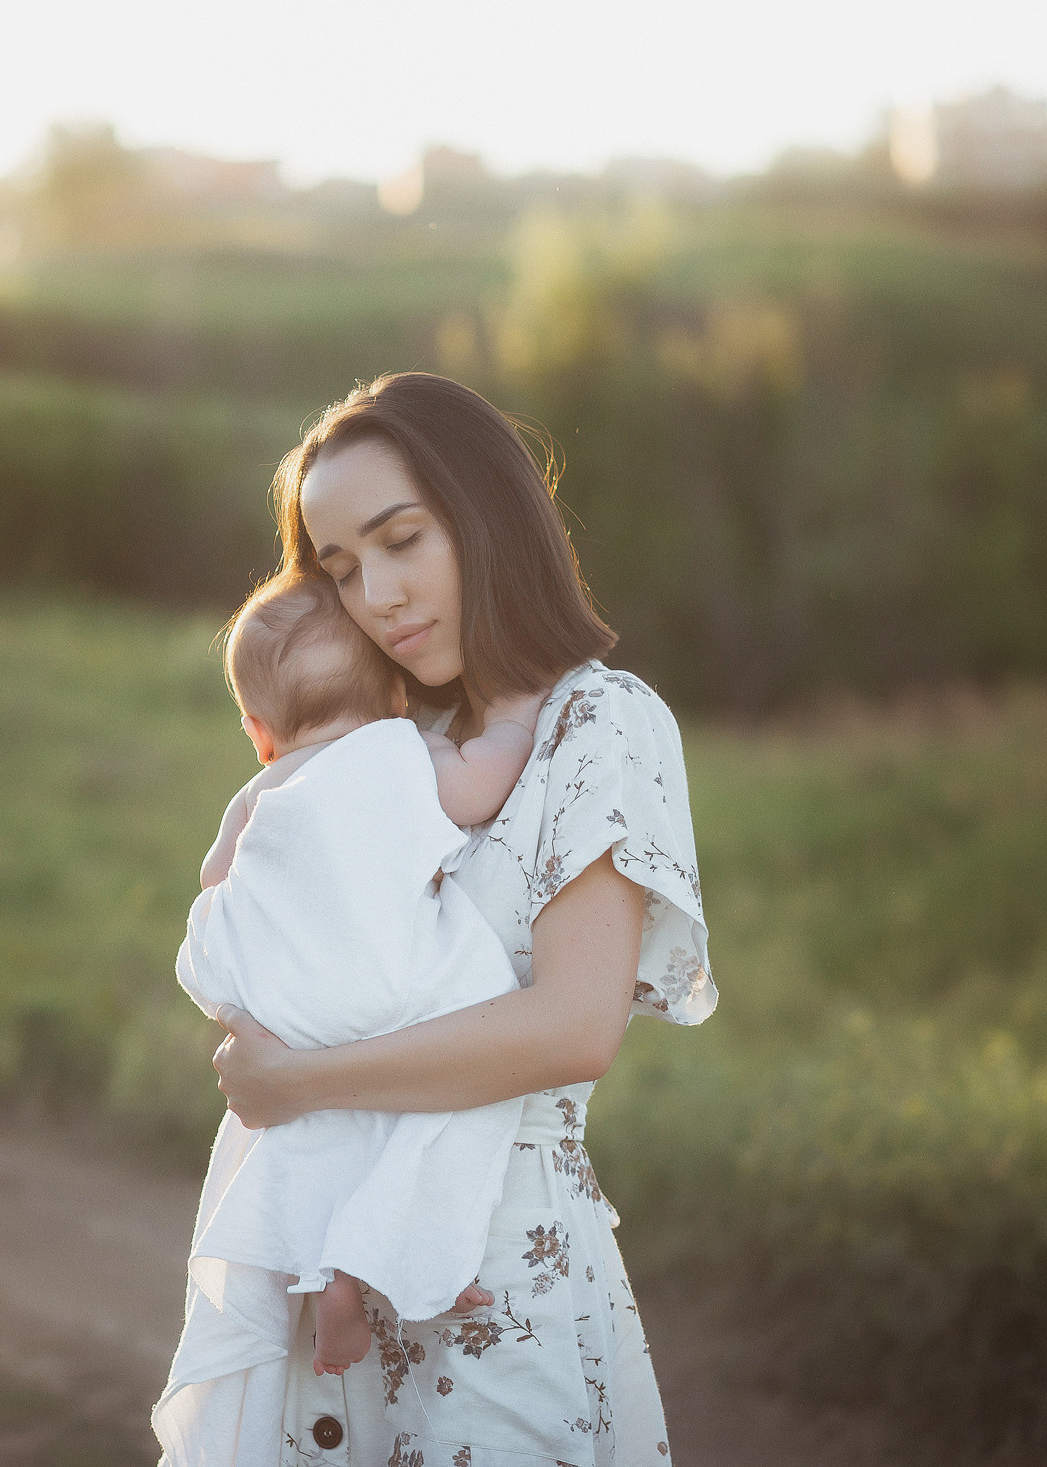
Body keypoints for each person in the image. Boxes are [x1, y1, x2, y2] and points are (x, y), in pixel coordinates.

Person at [209, 372, 716, 1467]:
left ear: (485, 517)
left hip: (501, 1277)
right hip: (335, 1261)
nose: (376, 595)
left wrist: (293, 1082)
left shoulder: (600, 722)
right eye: (340, 570)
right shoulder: (393, 744)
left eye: (400, 541)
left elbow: (573, 1027)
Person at [155, 572, 556, 1467]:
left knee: (324, 1129)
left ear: (259, 733)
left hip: (301, 1005)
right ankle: (414, 1258)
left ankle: (331, 1274)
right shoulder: (400, 753)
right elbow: (480, 786)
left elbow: (221, 885)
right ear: (395, 695)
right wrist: (515, 724)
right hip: (402, 990)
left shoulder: (258, 794)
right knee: (455, 1098)